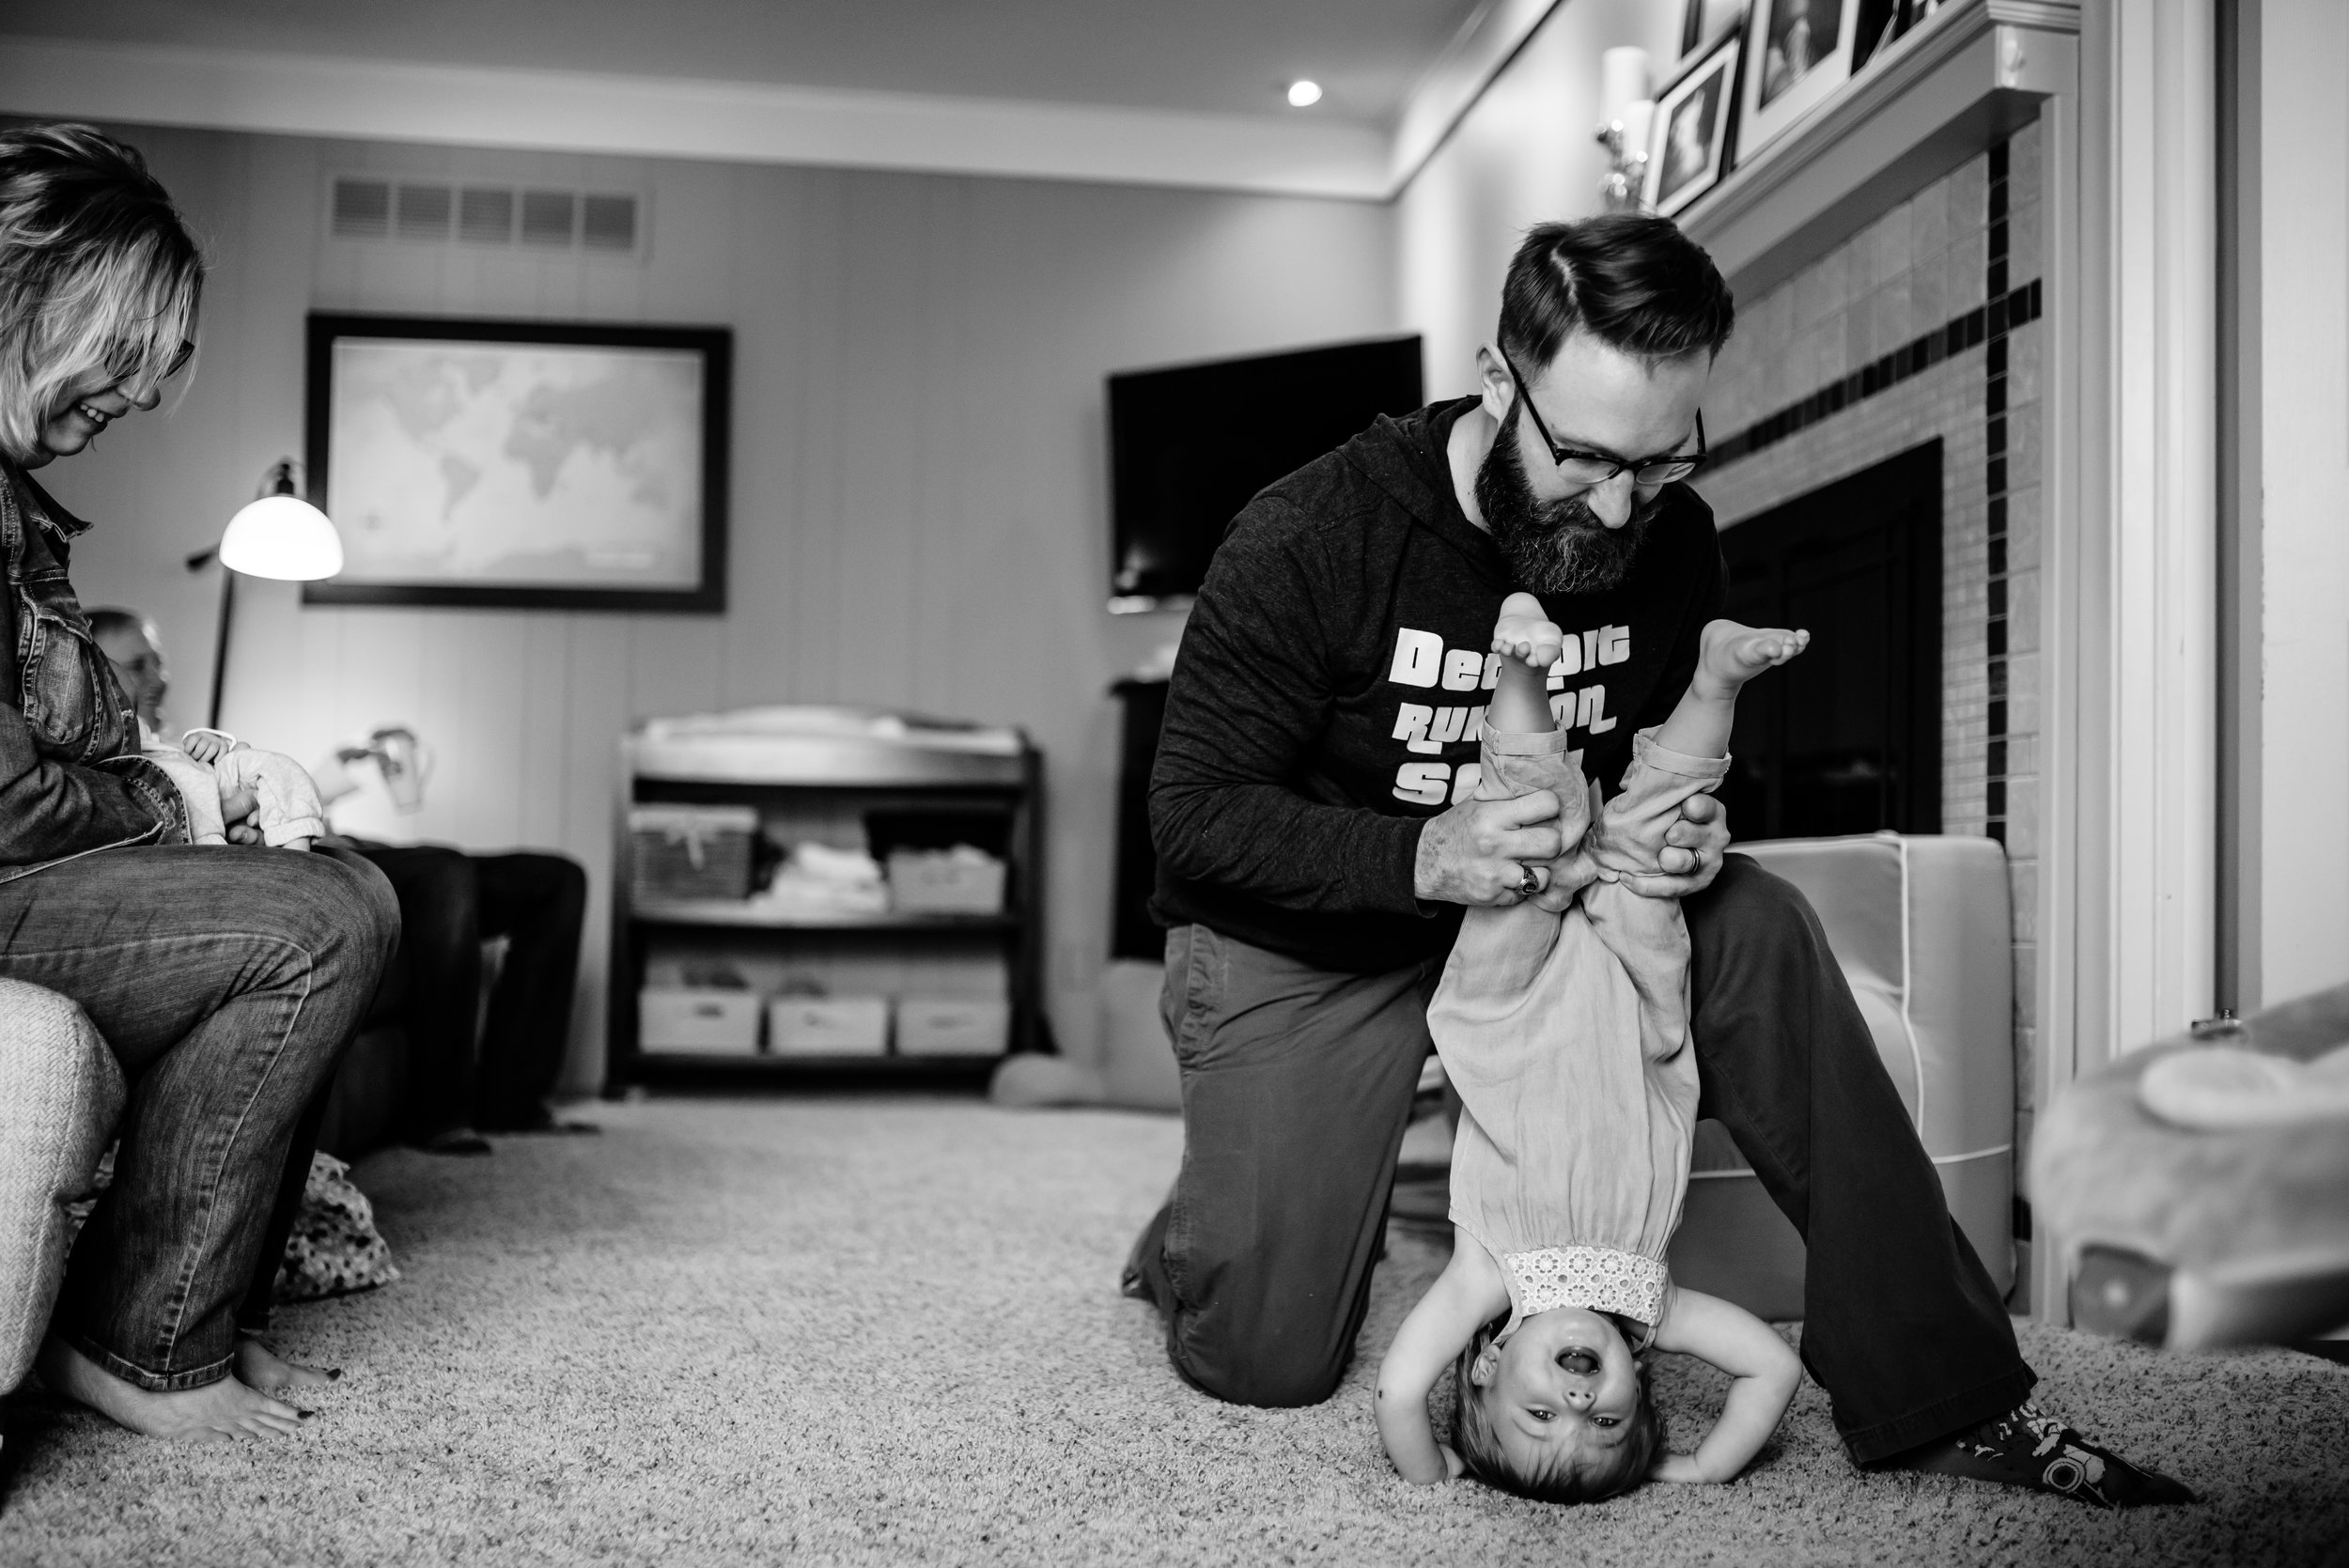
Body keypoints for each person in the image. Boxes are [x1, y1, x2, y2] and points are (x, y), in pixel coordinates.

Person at [1126, 213, 2193, 1508]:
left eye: (1661, 458)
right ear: (1494, 375)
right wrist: (1429, 852)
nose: (1623, 503)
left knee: (1764, 922)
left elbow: (1657, 756)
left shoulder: (1666, 536)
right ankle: (1205, 1226)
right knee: (1265, 1359)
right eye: (1585, 457)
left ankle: (1943, 1385)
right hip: (1322, 933)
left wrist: (1687, 834)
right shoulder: (1311, 535)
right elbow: (1193, 816)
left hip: (1562, 916)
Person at [0, 123, 398, 1441]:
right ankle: (144, 1341)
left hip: (43, 875)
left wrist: (227, 767)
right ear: (34, 301)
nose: (125, 402)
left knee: (332, 885)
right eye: (120, 363)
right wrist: (182, 807)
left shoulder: (18, 507)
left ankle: (178, 1320)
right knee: (319, 920)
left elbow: (97, 739)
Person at [1374, 597, 1806, 1501]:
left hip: (1510, 1008)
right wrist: (1703, 1464)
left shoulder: (1484, 1276)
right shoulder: (1656, 1305)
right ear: (1637, 1385)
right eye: (1607, 1421)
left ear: (1488, 1367)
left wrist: (1428, 1475)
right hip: (1635, 1005)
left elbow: (1400, 1389)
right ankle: (1716, 677)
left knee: (1533, 833)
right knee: (1652, 842)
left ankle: (1522, 664)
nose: (1578, 1396)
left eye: (1543, 1414)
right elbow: (1771, 1366)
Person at [91, 611, 593, 1151]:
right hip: (311, 857)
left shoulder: (183, 741)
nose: (158, 678)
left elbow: (268, 797)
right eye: (138, 666)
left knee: (555, 880)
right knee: (443, 871)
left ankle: (513, 1099)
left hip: (341, 838)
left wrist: (328, 773)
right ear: (95, 673)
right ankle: (439, 1111)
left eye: (158, 662)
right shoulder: (117, 763)